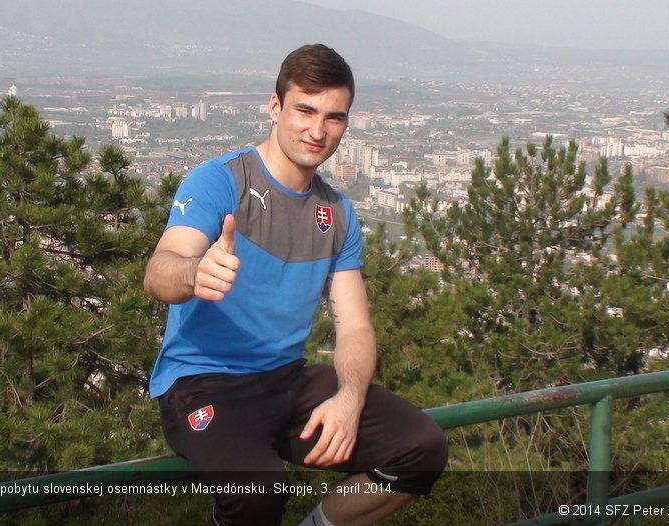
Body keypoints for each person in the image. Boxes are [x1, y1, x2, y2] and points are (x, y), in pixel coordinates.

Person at [143, 43, 448, 526]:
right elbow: (161, 270)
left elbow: (355, 328)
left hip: (285, 378)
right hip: (203, 382)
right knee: (258, 492)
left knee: (420, 449)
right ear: (275, 106)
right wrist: (192, 272)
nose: (317, 130)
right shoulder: (220, 181)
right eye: (305, 109)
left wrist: (348, 399)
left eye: (334, 117)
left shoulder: (338, 213)